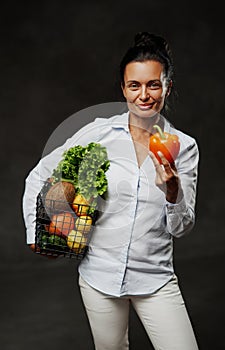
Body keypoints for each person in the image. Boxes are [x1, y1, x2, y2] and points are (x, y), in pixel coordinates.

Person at [23, 32, 199, 349]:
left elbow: (182, 227)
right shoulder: (98, 132)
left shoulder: (184, 148)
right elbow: (39, 175)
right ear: (123, 89)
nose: (144, 95)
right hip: (98, 278)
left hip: (154, 279)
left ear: (167, 87)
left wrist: (173, 191)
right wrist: (40, 232)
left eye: (153, 85)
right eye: (135, 85)